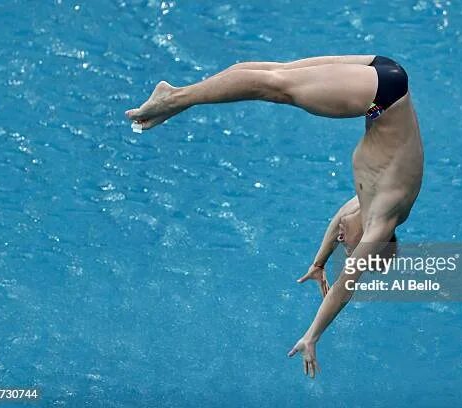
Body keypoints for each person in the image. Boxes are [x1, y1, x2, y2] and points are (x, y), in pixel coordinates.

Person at [125, 55, 423, 378]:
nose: (343, 245)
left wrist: (319, 262)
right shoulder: (380, 221)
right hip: (382, 96)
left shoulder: (370, 205)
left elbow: (341, 218)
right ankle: (175, 99)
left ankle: (180, 96)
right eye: (350, 249)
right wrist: (312, 336)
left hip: (386, 78)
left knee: (275, 74)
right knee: (276, 87)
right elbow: (344, 288)